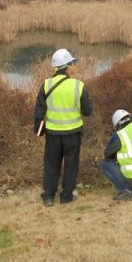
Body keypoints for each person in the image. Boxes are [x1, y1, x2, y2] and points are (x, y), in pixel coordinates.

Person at [34, 48, 93, 206]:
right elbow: (88, 111)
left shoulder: (46, 85)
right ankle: (66, 197)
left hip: (52, 134)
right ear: (67, 66)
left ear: (55, 67)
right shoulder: (78, 86)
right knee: (71, 164)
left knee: (51, 163)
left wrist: (38, 131)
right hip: (73, 133)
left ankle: (48, 196)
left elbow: (39, 111)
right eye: (71, 64)